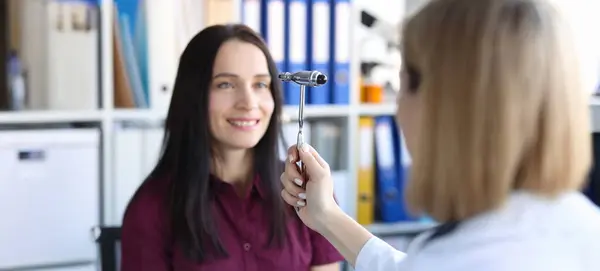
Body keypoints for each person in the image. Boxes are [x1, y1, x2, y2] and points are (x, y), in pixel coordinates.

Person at [280, 0, 600, 270]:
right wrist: (326, 216)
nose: (397, 109)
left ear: (442, 108)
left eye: (401, 84)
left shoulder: (451, 258)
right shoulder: (585, 228)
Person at [121, 24, 343, 271]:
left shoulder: (306, 191)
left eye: (260, 85)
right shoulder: (150, 209)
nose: (248, 103)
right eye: (226, 84)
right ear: (193, 95)